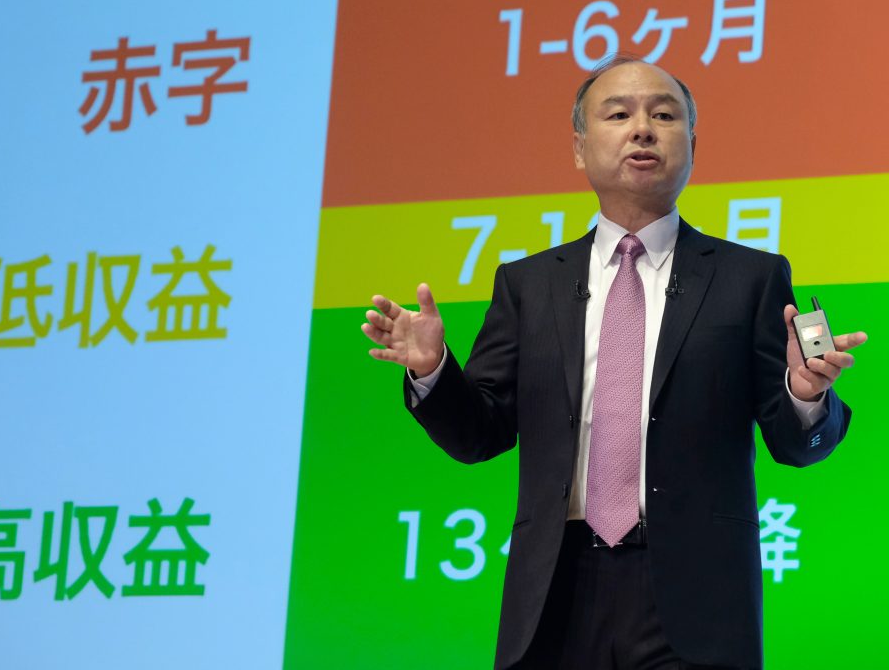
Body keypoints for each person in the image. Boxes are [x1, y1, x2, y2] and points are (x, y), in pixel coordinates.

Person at [360, 57, 867, 670]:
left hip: (695, 597)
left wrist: (805, 391)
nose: (643, 129)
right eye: (619, 114)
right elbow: (480, 434)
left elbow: (797, 444)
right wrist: (434, 370)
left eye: (663, 114)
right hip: (554, 590)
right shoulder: (527, 285)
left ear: (692, 145)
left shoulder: (749, 278)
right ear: (580, 148)